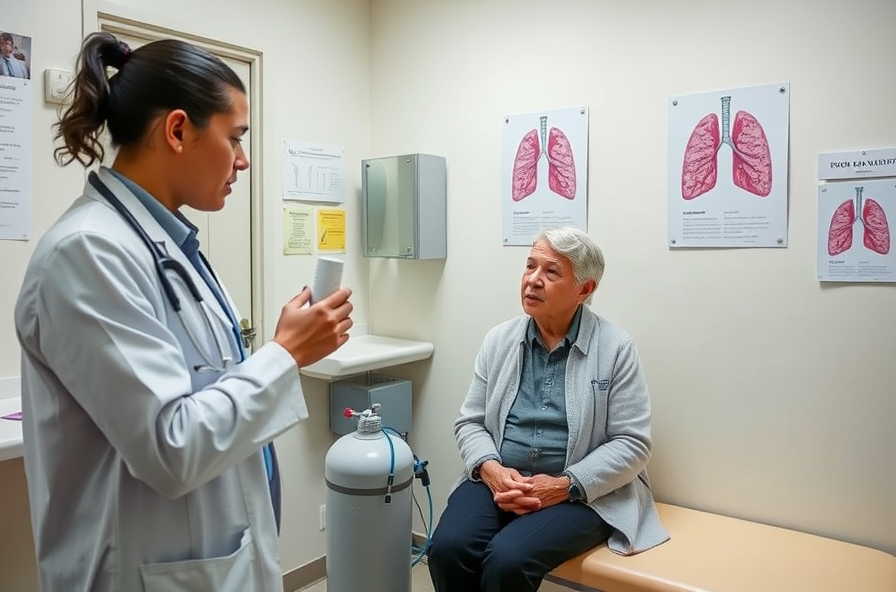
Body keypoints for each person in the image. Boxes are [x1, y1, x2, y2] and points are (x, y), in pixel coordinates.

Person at [13, 32, 353, 592]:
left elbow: (203, 390)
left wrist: (279, 350)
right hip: (141, 572)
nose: (244, 161)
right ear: (176, 131)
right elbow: (170, 445)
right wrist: (285, 354)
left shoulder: (169, 248)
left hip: (210, 560)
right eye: (235, 138)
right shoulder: (87, 252)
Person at [427, 227, 670, 592]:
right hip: (501, 477)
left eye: (551, 272)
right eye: (530, 266)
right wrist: (492, 471)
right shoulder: (500, 340)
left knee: (507, 560)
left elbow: (631, 444)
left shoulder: (616, 348)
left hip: (582, 492)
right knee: (446, 548)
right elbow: (471, 422)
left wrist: (563, 485)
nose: (533, 280)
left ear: (584, 290)